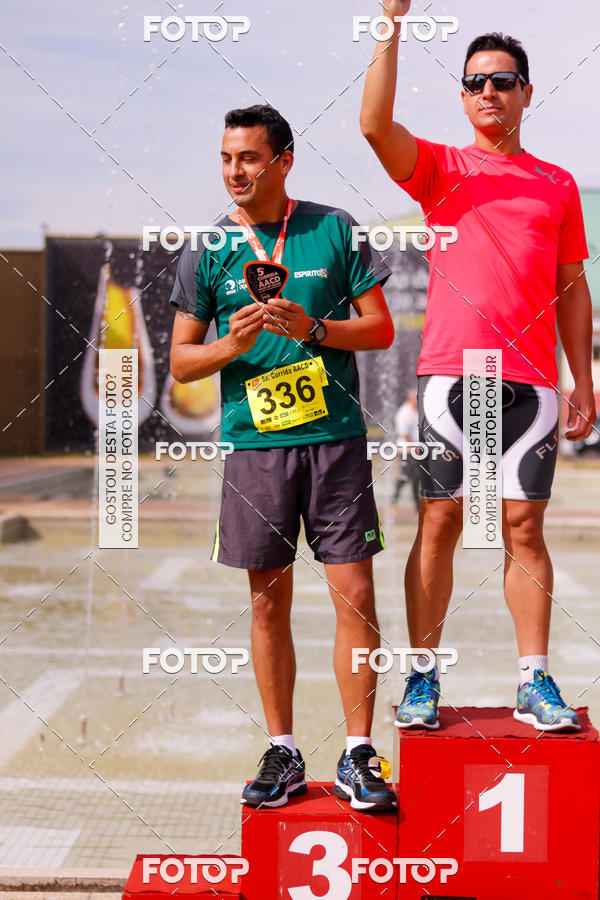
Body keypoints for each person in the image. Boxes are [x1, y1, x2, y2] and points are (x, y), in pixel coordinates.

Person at [360, 4, 596, 731]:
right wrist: (391, 24)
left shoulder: (556, 185)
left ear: (527, 93)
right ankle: (422, 677)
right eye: (475, 82)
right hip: (451, 376)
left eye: (503, 80)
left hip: (530, 381)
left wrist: (582, 377)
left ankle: (534, 679)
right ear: (463, 97)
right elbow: (373, 126)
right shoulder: (441, 168)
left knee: (524, 526)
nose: (488, 91)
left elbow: (571, 287)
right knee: (442, 521)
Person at [168, 104, 397, 810]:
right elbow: (180, 362)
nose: (235, 171)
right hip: (255, 450)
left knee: (355, 597)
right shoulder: (208, 248)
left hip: (335, 442)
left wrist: (319, 329)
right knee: (267, 607)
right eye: (227, 158)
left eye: (249, 158)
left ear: (283, 160)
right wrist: (231, 348)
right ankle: (284, 751)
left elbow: (381, 331)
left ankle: (360, 753)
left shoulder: (334, 228)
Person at [390, 389, 420, 510]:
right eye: (415, 398)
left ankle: (417, 504)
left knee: (416, 476)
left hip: (413, 449)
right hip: (407, 450)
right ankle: (393, 500)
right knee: (407, 476)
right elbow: (404, 433)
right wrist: (414, 448)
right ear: (409, 399)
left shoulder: (414, 411)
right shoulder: (405, 412)